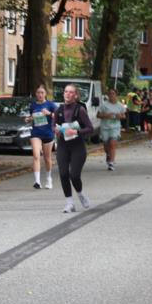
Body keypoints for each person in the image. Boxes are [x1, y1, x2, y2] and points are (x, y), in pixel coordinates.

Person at [55, 84, 94, 212]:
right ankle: (69, 203)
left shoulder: (80, 110)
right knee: (63, 174)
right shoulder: (58, 110)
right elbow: (53, 125)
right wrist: (56, 130)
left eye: (71, 92)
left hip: (77, 146)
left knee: (74, 175)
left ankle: (81, 194)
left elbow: (90, 128)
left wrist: (76, 132)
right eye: (66, 91)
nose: (67, 94)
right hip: (63, 146)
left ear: (76, 95)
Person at [23, 84, 57, 188]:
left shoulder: (51, 105)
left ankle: (48, 179)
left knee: (47, 158)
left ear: (45, 94)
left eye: (42, 92)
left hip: (48, 133)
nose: (40, 94)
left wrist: (49, 113)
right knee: (36, 155)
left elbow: (58, 117)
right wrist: (28, 119)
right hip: (36, 133)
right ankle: (37, 181)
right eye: (38, 92)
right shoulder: (33, 105)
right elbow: (31, 117)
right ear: (36, 94)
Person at [97, 87, 126, 169]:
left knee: (112, 144)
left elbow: (124, 116)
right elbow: (98, 115)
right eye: (110, 94)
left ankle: (111, 163)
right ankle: (108, 154)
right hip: (105, 127)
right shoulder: (104, 105)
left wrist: (119, 116)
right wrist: (106, 115)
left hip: (115, 128)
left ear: (116, 95)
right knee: (106, 146)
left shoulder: (120, 105)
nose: (111, 95)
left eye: (113, 93)